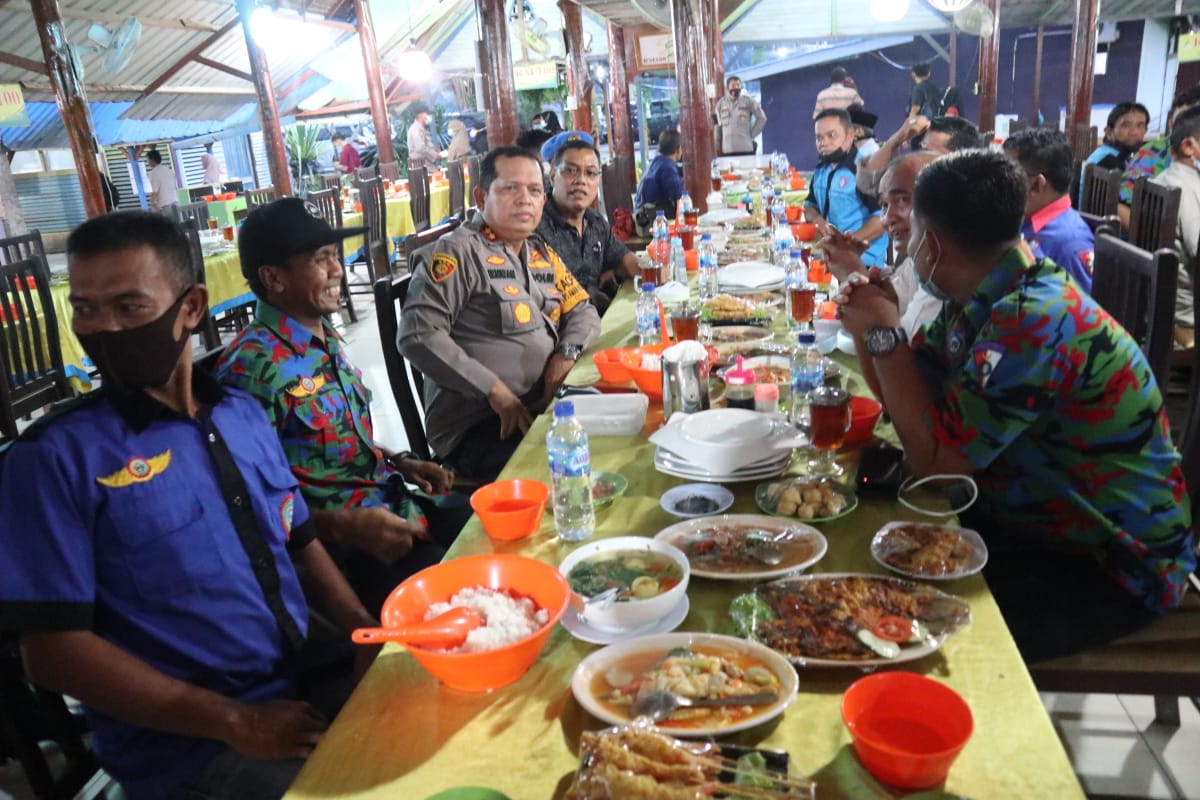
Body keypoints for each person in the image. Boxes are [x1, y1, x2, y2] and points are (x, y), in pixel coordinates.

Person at [0, 210, 378, 800]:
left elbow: (300, 542)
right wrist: (231, 720)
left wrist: (362, 634)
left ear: (192, 307)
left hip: (302, 674)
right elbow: (51, 653)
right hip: (190, 744)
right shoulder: (55, 458)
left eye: (129, 308)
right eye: (85, 309)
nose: (102, 330)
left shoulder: (239, 415)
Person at [834, 150, 1195, 663]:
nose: (906, 243)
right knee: (867, 564)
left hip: (1109, 563)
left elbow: (935, 466)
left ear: (931, 244)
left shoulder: (1032, 319)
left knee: (892, 636)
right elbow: (909, 408)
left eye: (910, 228)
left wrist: (885, 334)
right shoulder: (984, 292)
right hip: (1033, 520)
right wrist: (880, 326)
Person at [216, 198, 466, 614]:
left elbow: (331, 442)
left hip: (392, 507)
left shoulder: (322, 334)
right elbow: (243, 502)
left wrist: (401, 462)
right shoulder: (251, 369)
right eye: (321, 260)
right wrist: (344, 528)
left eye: (334, 256)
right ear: (273, 278)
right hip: (343, 556)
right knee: (464, 607)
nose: (337, 271)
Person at [398, 146, 601, 482]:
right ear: (481, 196)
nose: (525, 199)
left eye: (535, 190)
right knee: (584, 463)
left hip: (541, 403)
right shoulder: (458, 251)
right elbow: (417, 334)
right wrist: (494, 390)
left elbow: (582, 308)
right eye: (510, 188)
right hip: (484, 422)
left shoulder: (538, 251)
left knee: (623, 425)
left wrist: (564, 355)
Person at [822, 151, 942, 338]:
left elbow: (902, 357)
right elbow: (885, 311)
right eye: (885, 206)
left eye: (902, 200)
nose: (887, 219)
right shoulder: (916, 263)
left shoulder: (944, 279)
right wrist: (859, 284)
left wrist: (852, 271)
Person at [537, 139, 639, 314]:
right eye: (570, 171)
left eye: (591, 173)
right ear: (553, 173)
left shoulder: (595, 222)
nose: (581, 180)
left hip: (601, 317)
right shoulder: (537, 229)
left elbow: (624, 259)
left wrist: (654, 270)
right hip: (566, 330)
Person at [1002, 128, 1095, 292]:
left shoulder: (1069, 246)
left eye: (1005, 176)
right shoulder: (1025, 218)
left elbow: (1079, 313)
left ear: (1036, 185)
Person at [804, 109, 887, 267]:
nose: (824, 143)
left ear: (850, 135)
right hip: (831, 258)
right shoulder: (822, 169)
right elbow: (809, 205)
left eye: (832, 136)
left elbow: (882, 220)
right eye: (819, 137)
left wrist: (847, 244)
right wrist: (818, 220)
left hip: (863, 263)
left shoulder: (864, 170)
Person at [1151, 106, 1200, 348]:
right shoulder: (1190, 190)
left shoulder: (1164, 180)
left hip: (1158, 308)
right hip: (1185, 321)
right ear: (1189, 146)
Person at [1118, 86, 1200, 227]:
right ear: (1171, 125)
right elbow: (1120, 203)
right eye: (1183, 120)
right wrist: (1145, 239)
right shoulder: (1153, 153)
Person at [856, 115, 984, 198]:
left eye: (930, 153)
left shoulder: (973, 200)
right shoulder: (916, 183)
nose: (923, 158)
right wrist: (895, 140)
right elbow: (868, 184)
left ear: (960, 158)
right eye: (922, 150)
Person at [635, 129, 685, 221]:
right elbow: (679, 196)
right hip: (651, 219)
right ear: (678, 149)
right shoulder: (667, 168)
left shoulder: (657, 162)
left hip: (642, 214)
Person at [1084, 102, 1149, 172]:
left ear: (1146, 130)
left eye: (1140, 126)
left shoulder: (1114, 154)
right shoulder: (1109, 161)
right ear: (1109, 132)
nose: (1134, 132)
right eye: (1126, 125)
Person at [714, 76, 768, 156]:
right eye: (733, 85)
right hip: (727, 150)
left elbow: (762, 118)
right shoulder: (719, 104)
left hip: (746, 148)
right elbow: (716, 125)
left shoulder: (749, 101)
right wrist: (717, 147)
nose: (736, 87)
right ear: (727, 87)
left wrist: (751, 135)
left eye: (738, 85)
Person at [407, 103, 446, 171]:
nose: (429, 116)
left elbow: (425, 146)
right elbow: (421, 148)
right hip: (422, 166)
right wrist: (435, 155)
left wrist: (435, 151)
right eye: (427, 114)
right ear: (420, 116)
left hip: (427, 164)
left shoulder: (420, 128)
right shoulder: (417, 129)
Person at [145, 149, 177, 213]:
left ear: (152, 160)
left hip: (164, 206)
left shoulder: (153, 173)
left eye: (148, 160)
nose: (147, 162)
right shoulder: (168, 170)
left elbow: (154, 192)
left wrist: (152, 205)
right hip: (175, 202)